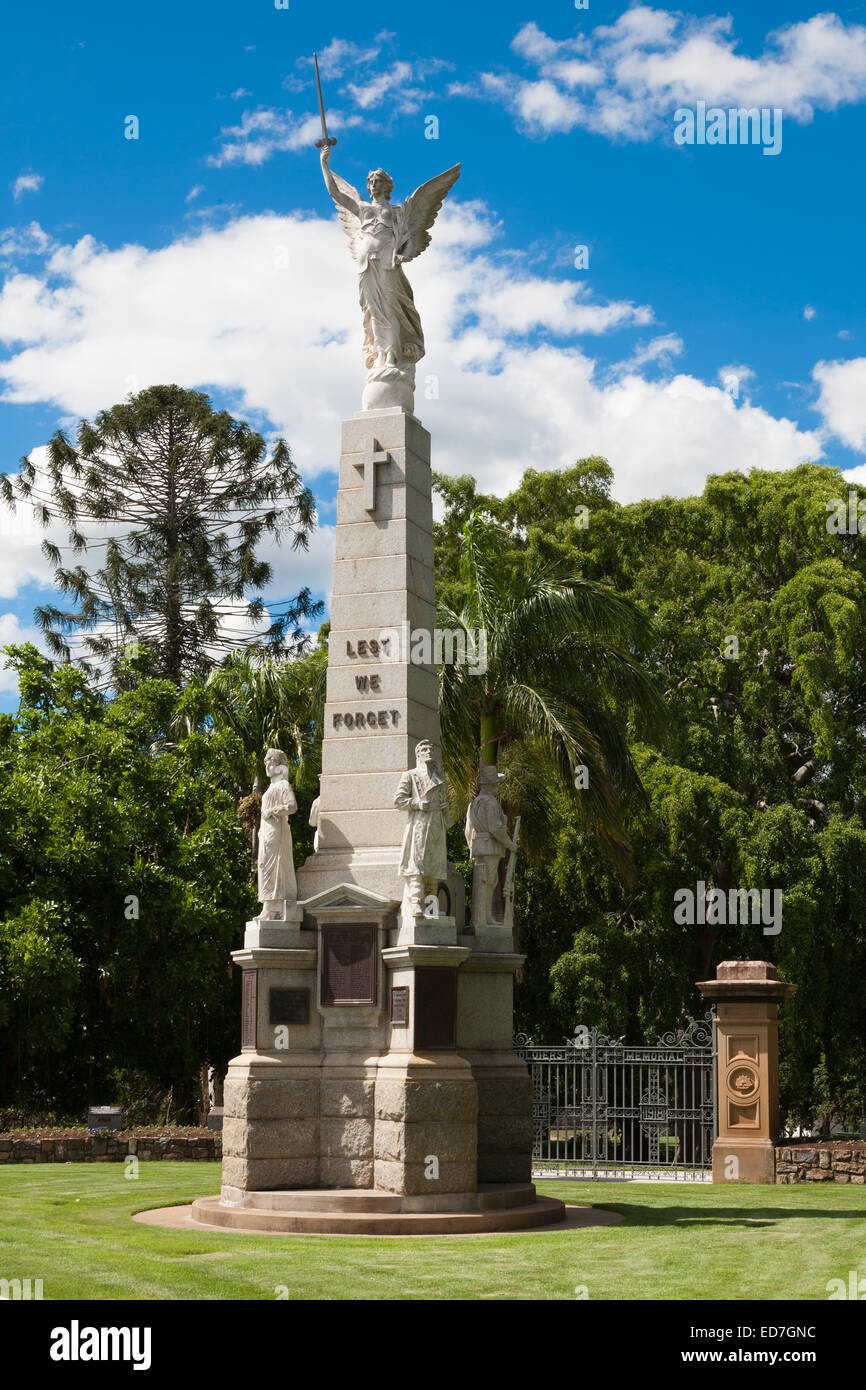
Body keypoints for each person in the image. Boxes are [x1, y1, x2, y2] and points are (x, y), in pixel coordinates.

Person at [394, 739, 451, 918]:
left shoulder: (440, 778)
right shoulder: (410, 775)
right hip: (420, 822)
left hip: (436, 824)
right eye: (424, 749)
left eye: (431, 748)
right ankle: (415, 903)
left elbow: (445, 801)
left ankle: (430, 906)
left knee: (434, 866)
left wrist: (446, 807)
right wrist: (417, 803)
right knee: (417, 864)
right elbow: (398, 801)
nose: (429, 751)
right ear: (418, 753)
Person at [464, 764, 517, 929]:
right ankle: (483, 918)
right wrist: (510, 844)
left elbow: (467, 830)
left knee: (484, 881)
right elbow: (495, 828)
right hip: (491, 847)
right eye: (495, 782)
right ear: (489, 784)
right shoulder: (491, 802)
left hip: (479, 846)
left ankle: (481, 917)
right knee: (489, 882)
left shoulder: (473, 803)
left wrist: (473, 847)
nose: (497, 785)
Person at [257, 748, 298, 920]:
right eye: (266, 761)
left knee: (276, 866)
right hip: (266, 833)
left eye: (270, 761)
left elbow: (292, 806)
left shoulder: (283, 785)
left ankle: (276, 906)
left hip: (277, 831)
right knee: (264, 865)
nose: (267, 764)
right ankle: (267, 905)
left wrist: (273, 810)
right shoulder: (271, 787)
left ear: (279, 764)